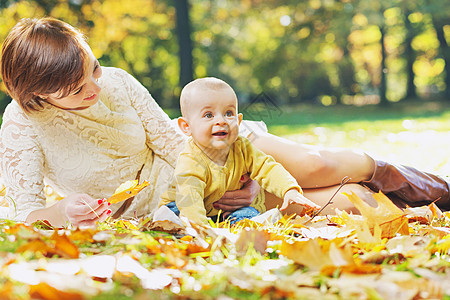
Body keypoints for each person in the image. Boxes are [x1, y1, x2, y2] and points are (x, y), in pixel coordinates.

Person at [0, 17, 449, 227]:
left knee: (316, 166)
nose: (95, 87)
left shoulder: (116, 81)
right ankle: (425, 204)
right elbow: (25, 214)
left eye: (93, 69)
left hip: (211, 156)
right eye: (77, 90)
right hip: (172, 205)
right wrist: (62, 212)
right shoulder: (21, 126)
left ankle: (442, 190)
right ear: (39, 93)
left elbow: (169, 141)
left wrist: (221, 174)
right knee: (350, 203)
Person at [159, 77, 320, 224]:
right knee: (174, 215)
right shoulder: (190, 160)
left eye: (229, 113)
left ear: (239, 120)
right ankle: (178, 224)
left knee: (247, 214)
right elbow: (189, 200)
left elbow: (267, 167)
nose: (221, 121)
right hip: (183, 206)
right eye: (208, 115)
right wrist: (202, 230)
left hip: (222, 211)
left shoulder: (242, 147)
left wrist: (289, 190)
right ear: (186, 127)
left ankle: (249, 225)